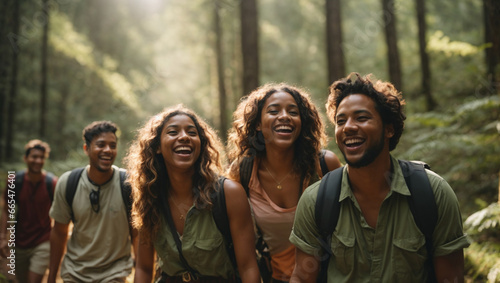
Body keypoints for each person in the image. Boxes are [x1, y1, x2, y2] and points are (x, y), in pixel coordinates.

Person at [289, 73, 471, 282]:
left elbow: (451, 278)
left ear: (389, 129)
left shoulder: (433, 193)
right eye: (341, 121)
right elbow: (302, 278)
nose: (348, 127)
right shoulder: (316, 200)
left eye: (361, 117)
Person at [125, 105, 260, 283]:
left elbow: (248, 267)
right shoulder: (149, 197)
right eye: (173, 132)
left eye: (191, 132)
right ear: (157, 147)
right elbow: (143, 269)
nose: (184, 137)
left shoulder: (228, 194)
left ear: (201, 144)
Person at [226, 83, 342, 282]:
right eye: (273, 111)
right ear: (257, 124)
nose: (284, 116)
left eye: (293, 112)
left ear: (302, 122)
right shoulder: (243, 171)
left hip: (327, 276)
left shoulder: (324, 165)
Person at [48, 121, 136, 283]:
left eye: (112, 145)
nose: (108, 150)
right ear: (86, 149)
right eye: (101, 145)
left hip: (114, 274)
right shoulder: (68, 182)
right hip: (74, 273)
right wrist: (51, 277)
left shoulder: (128, 184)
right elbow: (59, 233)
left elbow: (138, 235)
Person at [0, 140, 57, 283]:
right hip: (19, 242)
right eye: (34, 156)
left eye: (42, 157)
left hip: (43, 240)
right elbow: (7, 211)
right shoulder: (14, 181)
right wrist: (2, 238)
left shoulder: (52, 183)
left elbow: (60, 214)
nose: (38, 160)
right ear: (25, 158)